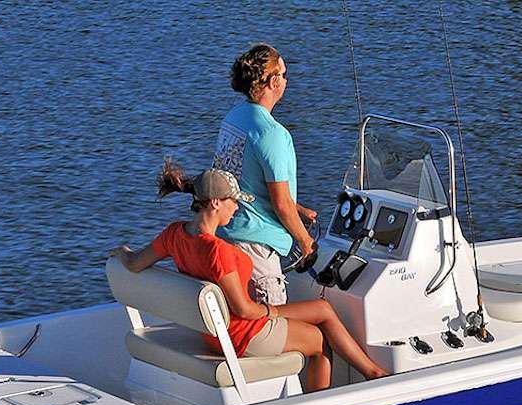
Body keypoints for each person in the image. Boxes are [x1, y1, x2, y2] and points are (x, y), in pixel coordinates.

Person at [111, 162, 387, 392]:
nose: (236, 209)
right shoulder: (218, 251)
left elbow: (135, 263)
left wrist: (121, 252)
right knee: (319, 341)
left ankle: (372, 373)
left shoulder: (175, 234)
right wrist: (273, 311)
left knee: (323, 309)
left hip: (214, 333)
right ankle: (350, 391)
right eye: (234, 202)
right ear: (216, 203)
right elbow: (243, 309)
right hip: (242, 335)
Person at [213, 43, 316, 307]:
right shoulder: (273, 134)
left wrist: (297, 208)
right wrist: (306, 242)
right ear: (272, 82)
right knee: (273, 331)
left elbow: (241, 180)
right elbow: (280, 205)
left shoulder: (234, 118)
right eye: (283, 74)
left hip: (226, 239)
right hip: (257, 253)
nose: (285, 80)